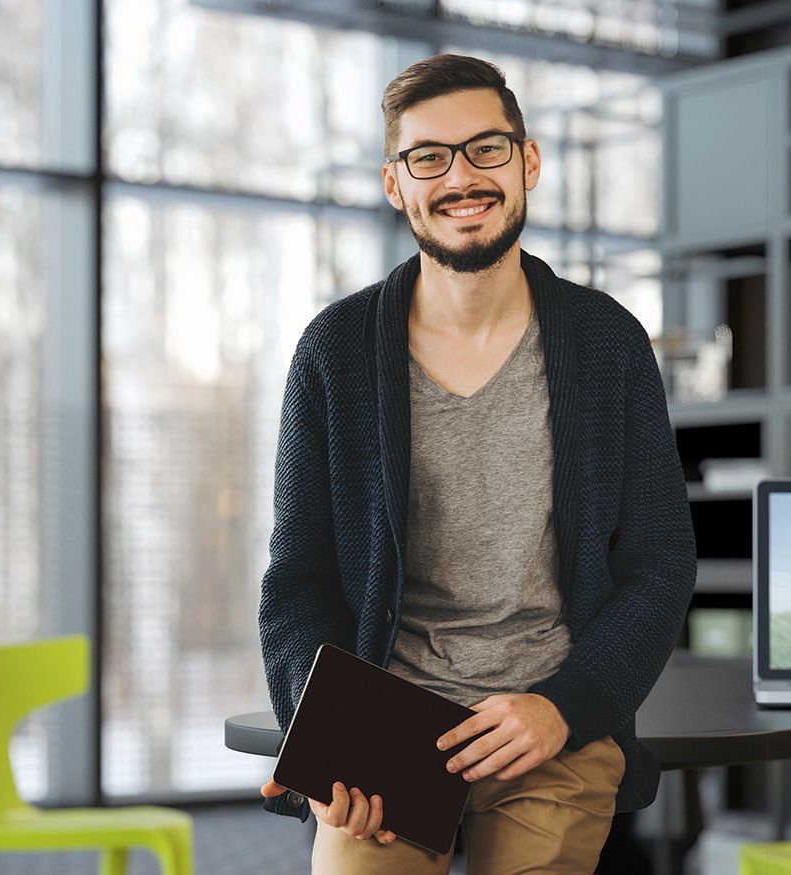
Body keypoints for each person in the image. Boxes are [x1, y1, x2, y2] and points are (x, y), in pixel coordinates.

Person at [257, 53, 696, 873]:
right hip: (381, 736)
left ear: (527, 161)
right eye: (429, 157)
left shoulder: (606, 343)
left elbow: (660, 562)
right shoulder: (335, 351)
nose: (460, 177)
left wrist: (565, 708)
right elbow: (297, 581)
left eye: (485, 149)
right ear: (396, 185)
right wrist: (316, 740)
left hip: (549, 727)